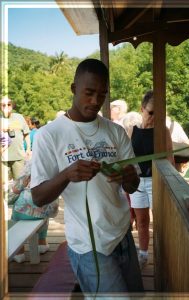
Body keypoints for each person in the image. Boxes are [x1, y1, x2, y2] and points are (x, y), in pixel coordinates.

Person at [31, 58, 144, 294]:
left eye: (101, 95)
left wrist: (128, 176)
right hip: (88, 245)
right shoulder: (49, 135)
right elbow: (38, 198)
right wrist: (67, 175)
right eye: (89, 93)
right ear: (74, 89)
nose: (95, 101)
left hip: (122, 235)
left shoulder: (115, 131)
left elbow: (133, 186)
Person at [129, 90, 174, 270]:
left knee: (161, 221)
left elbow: (170, 158)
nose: (154, 117)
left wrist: (169, 182)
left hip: (157, 181)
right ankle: (143, 255)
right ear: (142, 109)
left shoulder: (162, 131)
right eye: (151, 112)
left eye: (159, 113)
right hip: (138, 183)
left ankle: (163, 257)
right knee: (141, 221)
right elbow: (127, 157)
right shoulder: (132, 130)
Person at [8, 160, 59, 263]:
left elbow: (16, 190)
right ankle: (42, 244)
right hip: (43, 212)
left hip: (22, 212)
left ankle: (19, 253)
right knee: (45, 218)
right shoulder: (51, 172)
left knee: (15, 220)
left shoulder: (28, 171)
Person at [1, 97, 31, 180]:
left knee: (19, 184)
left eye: (8, 104)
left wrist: (28, 148)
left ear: (12, 105)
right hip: (2, 158)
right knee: (3, 184)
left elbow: (26, 134)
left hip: (18, 157)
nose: (6, 107)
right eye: (3, 105)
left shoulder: (19, 117)